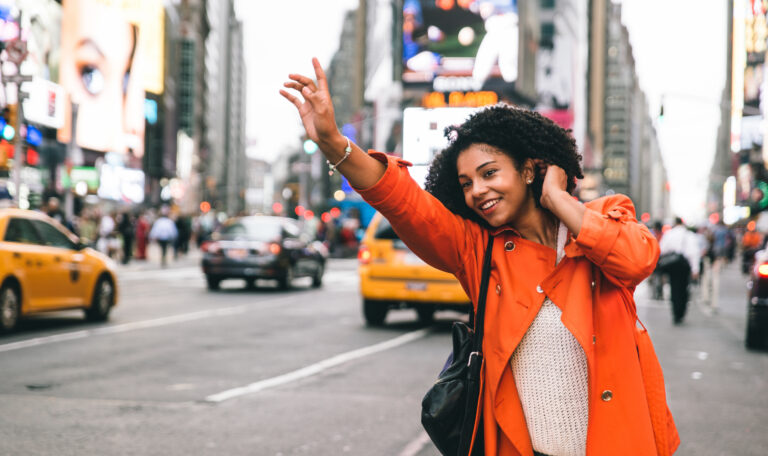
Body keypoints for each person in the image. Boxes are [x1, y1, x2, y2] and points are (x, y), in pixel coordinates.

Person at [281, 58, 679, 456]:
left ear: (528, 170)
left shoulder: (603, 217)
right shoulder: (478, 250)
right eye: (466, 183)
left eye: (489, 173)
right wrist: (334, 142)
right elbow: (403, 201)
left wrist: (557, 199)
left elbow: (635, 260)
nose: (477, 191)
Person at [658, 217, 701, 324]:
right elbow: (693, 253)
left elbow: (662, 249)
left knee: (674, 288)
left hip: (672, 265)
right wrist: (695, 269)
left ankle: (675, 313)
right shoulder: (689, 235)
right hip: (684, 266)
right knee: (684, 288)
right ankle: (681, 312)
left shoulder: (669, 234)